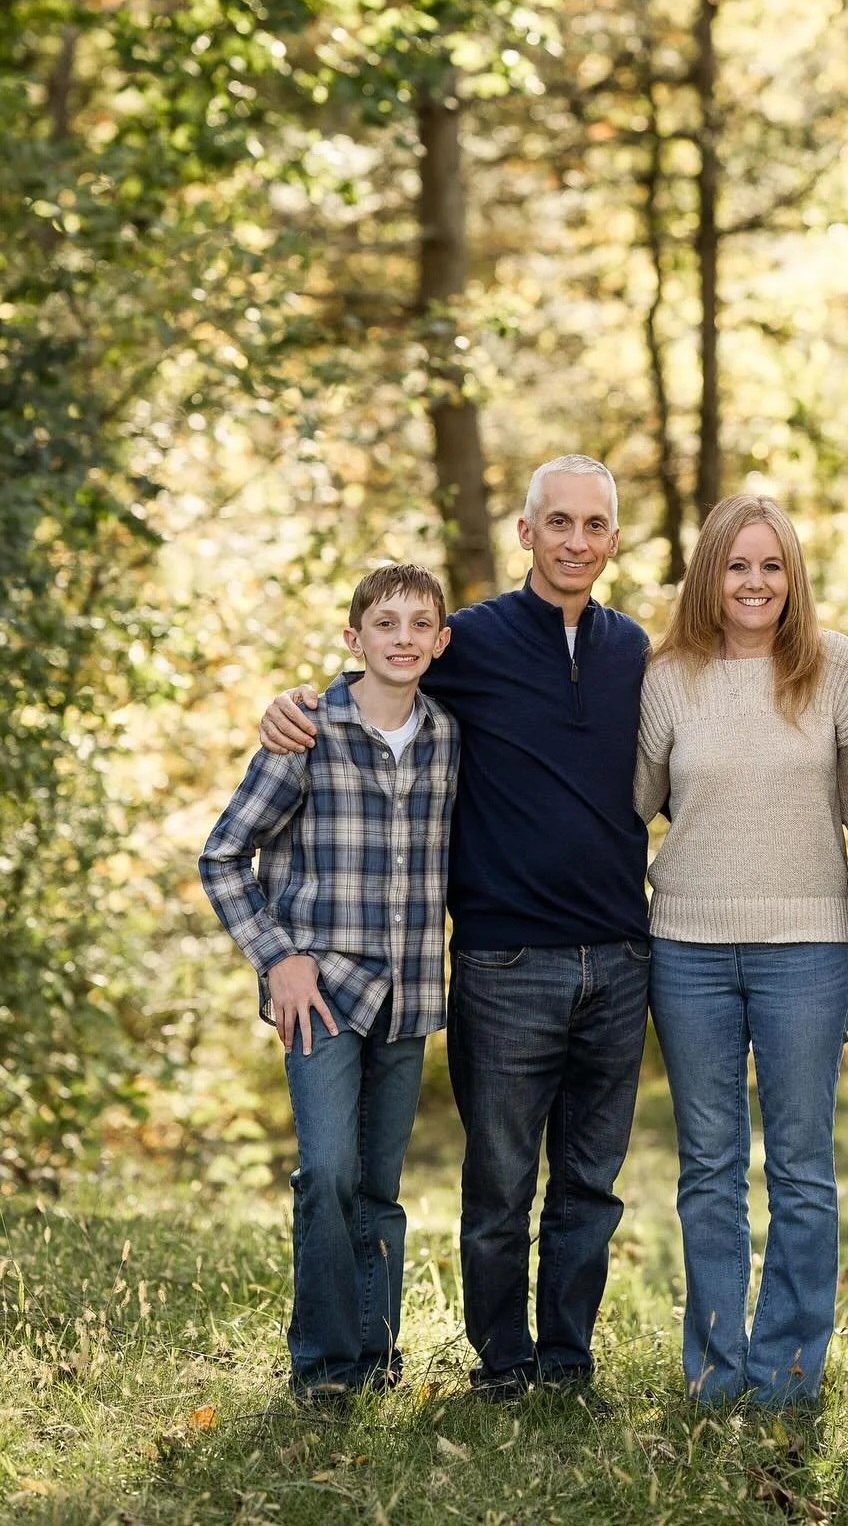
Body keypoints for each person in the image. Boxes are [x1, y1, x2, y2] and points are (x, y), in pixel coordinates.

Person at [258, 457, 651, 1400]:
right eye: (557, 522)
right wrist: (294, 701)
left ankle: (567, 1360)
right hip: (504, 957)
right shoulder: (467, 640)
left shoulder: (635, 649)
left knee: (591, 1186)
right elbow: (378, 674)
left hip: (621, 952)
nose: (575, 541)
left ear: (612, 538)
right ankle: (502, 1362)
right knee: (500, 1185)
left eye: (593, 525)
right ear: (526, 532)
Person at [199, 564, 459, 1401]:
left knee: (381, 1185)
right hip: (320, 993)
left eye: (422, 625)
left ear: (441, 643)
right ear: (354, 638)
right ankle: (322, 1365)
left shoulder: (448, 737)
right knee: (329, 1172)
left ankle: (377, 1360)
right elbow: (223, 855)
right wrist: (278, 956)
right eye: (386, 623)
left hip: (410, 992)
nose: (404, 638)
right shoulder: (308, 729)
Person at [633, 495, 848, 1408]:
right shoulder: (668, 676)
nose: (755, 583)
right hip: (686, 946)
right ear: (710, 575)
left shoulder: (833, 666)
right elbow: (634, 801)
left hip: (806, 947)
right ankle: (717, 1367)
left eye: (772, 566)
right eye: (738, 565)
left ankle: (787, 1371)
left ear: (793, 577)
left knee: (804, 1167)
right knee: (710, 1165)